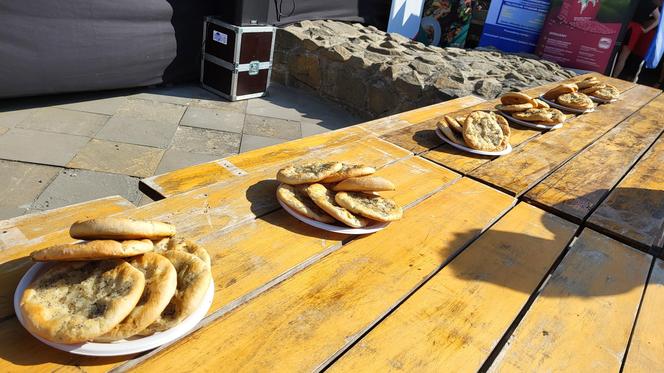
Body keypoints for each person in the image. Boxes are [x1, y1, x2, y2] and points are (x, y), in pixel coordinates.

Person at [612, 0, 662, 78]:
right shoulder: (651, 5)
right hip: (635, 30)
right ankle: (613, 78)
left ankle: (606, 72)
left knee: (612, 52)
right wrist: (646, 30)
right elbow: (658, 19)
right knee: (623, 57)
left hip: (623, 25)